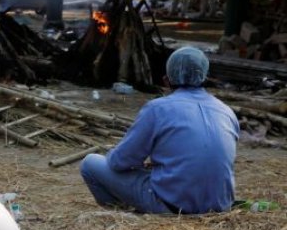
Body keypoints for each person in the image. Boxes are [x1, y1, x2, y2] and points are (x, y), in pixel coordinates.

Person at [80, 47, 239, 215]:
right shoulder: (226, 111)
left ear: (166, 80)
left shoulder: (157, 108)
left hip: (173, 207)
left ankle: (122, 216)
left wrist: (129, 160)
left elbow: (119, 162)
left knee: (90, 163)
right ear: (205, 77)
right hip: (220, 208)